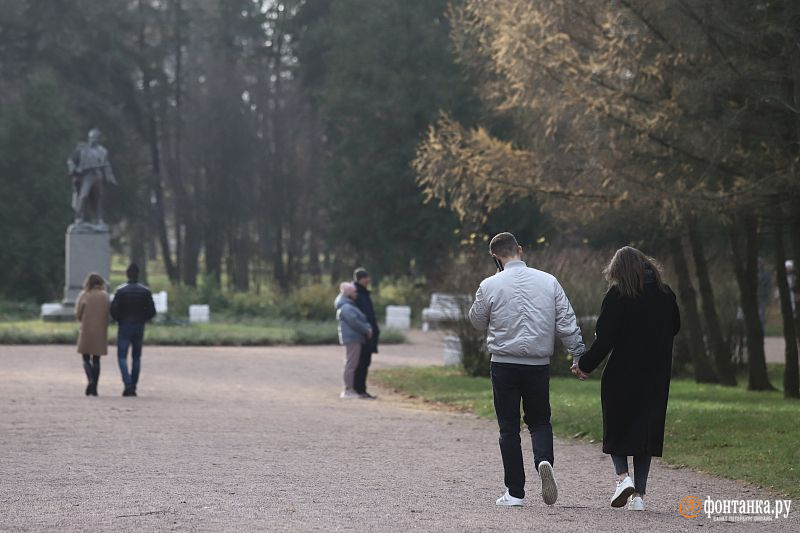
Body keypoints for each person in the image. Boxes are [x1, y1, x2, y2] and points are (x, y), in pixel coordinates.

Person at [469, 232, 585, 507]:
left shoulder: (489, 284)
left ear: (495, 257)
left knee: (508, 428)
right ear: (519, 250)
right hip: (537, 364)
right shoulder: (549, 281)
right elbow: (566, 321)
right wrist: (579, 353)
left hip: (504, 364)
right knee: (540, 421)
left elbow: (476, 321)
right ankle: (544, 460)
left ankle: (515, 492)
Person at [572, 247, 680, 512]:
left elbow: (605, 338)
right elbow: (675, 327)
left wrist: (584, 365)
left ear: (618, 271)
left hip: (622, 374)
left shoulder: (619, 295)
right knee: (645, 433)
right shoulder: (666, 295)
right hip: (656, 375)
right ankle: (639, 497)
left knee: (617, 426)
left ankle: (623, 478)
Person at [110, 264, 156, 397]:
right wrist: (143, 319)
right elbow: (152, 311)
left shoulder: (120, 291)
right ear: (138, 274)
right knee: (136, 357)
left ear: (127, 274)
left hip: (124, 325)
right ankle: (133, 385)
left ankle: (128, 383)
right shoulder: (145, 291)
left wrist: (119, 319)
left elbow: (113, 310)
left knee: (122, 356)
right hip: (139, 325)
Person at [335, 282, 373, 399]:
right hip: (352, 338)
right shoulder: (347, 307)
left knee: (351, 363)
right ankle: (348, 389)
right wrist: (366, 329)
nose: (356, 294)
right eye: (354, 292)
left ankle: (350, 388)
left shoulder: (348, 305)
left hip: (354, 337)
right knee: (351, 364)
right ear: (349, 294)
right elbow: (354, 321)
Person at [75, 273, 110, 396]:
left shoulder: (84, 295)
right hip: (100, 331)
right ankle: (95, 387)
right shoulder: (105, 296)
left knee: (85, 358)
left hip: (86, 330)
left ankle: (90, 380)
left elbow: (78, 314)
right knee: (96, 359)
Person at [352, 268, 380, 399]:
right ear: (360, 279)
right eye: (365, 278)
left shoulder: (364, 293)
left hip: (369, 332)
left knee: (365, 362)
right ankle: (359, 389)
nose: (368, 280)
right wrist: (366, 328)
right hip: (363, 333)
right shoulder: (357, 294)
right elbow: (360, 315)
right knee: (361, 362)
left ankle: (361, 388)